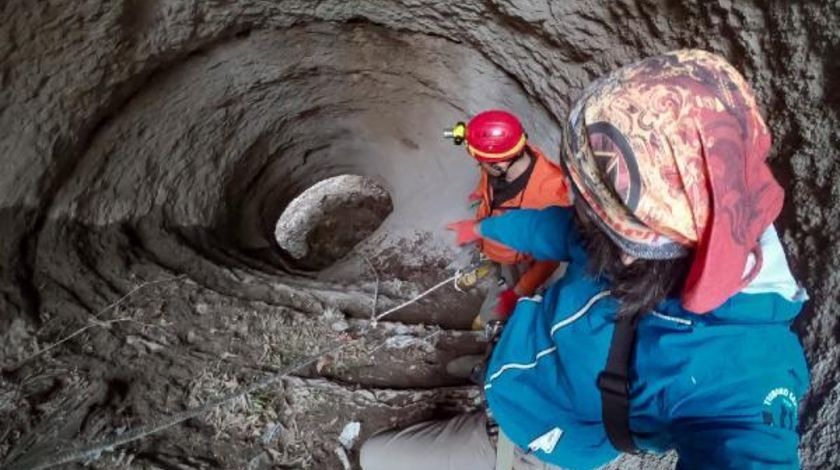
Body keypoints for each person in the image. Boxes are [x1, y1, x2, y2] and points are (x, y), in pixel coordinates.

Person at [360, 50, 810, 470]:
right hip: (526, 371)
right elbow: (555, 228)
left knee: (373, 457)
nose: (582, 215)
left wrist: (517, 288)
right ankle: (489, 371)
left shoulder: (742, 374)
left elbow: (747, 448)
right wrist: (482, 229)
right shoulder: (633, 233)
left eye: (595, 209)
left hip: (539, 440)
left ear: (643, 240)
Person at [445, 110, 572, 330]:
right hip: (497, 240)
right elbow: (488, 180)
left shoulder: (549, 195)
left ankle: (488, 326)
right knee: (497, 259)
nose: (479, 165)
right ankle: (491, 262)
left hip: (519, 259)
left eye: (480, 161)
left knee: (500, 301)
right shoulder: (505, 162)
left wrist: (519, 291)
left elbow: (549, 260)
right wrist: (479, 194)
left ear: (499, 164)